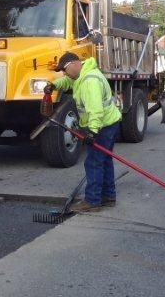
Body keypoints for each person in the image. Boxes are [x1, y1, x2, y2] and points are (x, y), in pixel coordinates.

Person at [45, 51, 122, 212]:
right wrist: (54, 85)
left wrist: (92, 133)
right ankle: (108, 196)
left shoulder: (89, 81)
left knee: (94, 162)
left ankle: (92, 201)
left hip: (103, 126)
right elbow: (68, 82)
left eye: (64, 69)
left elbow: (96, 110)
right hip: (110, 123)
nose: (64, 73)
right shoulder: (81, 75)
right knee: (105, 160)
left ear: (74, 64)